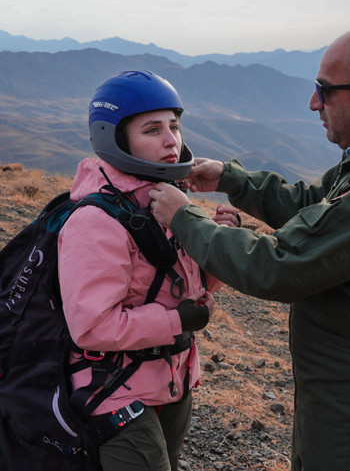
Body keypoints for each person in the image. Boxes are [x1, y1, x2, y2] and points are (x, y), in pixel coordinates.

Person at [148, 27, 350, 471]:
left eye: (325, 91)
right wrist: (232, 179)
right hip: (342, 378)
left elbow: (279, 267)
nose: (314, 103)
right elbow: (316, 206)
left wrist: (184, 217)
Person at [57, 70, 239, 471]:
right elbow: (91, 327)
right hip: (112, 390)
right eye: (152, 130)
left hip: (171, 381)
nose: (171, 140)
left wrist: (218, 241)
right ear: (116, 138)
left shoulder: (168, 201)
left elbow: (192, 286)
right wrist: (177, 321)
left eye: (174, 126)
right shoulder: (96, 221)